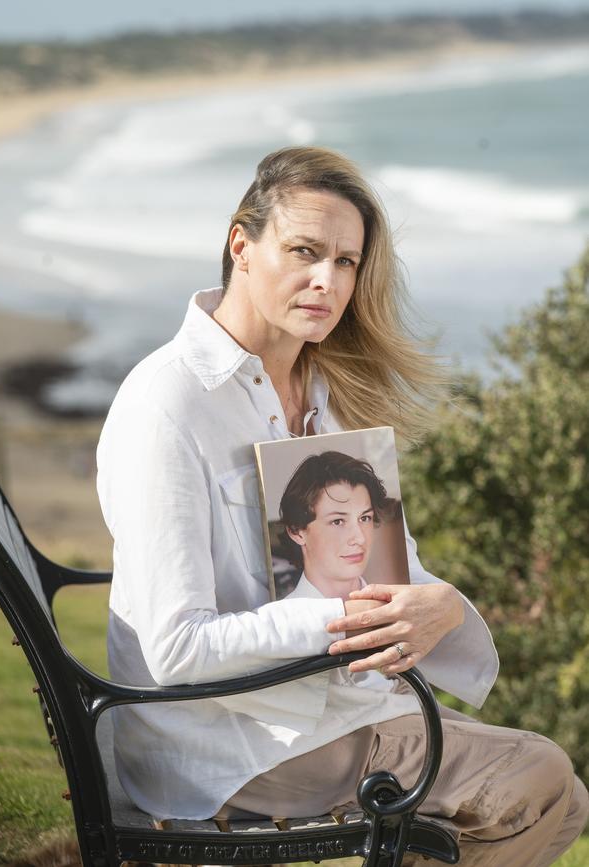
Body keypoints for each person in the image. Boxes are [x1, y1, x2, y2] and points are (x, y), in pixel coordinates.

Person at [96, 145, 588, 864]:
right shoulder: (167, 403)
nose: (327, 281)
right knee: (542, 778)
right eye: (304, 251)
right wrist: (344, 617)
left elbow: (400, 572)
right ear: (242, 245)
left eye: (347, 262)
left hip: (318, 710)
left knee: (562, 797)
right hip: (221, 743)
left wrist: (442, 604)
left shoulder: (325, 399)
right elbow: (174, 649)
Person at [279, 450, 403, 601]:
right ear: (297, 532)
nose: (360, 538)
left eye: (364, 518)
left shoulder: (397, 604)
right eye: (337, 521)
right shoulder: (284, 621)